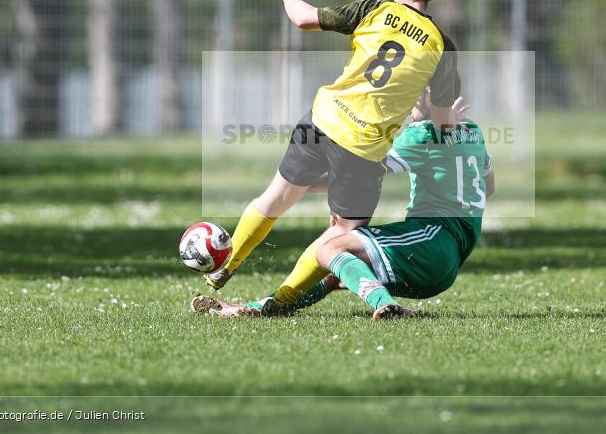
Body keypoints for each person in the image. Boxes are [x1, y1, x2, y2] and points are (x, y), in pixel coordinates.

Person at [203, 0, 460, 310]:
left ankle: (223, 266)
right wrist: (423, 110)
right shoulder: (441, 45)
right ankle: (280, 301)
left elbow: (303, 18)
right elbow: (443, 123)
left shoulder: (374, 9)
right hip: (362, 149)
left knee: (273, 199)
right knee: (341, 235)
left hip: (321, 119)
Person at [193, 82, 494, 319]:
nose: (410, 98)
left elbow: (365, 174)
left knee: (330, 249)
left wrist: (301, 185)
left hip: (432, 242)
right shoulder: (475, 133)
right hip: (449, 257)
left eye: (417, 91)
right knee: (340, 272)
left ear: (433, 96)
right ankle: (262, 307)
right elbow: (488, 187)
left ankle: (386, 306)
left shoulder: (421, 134)